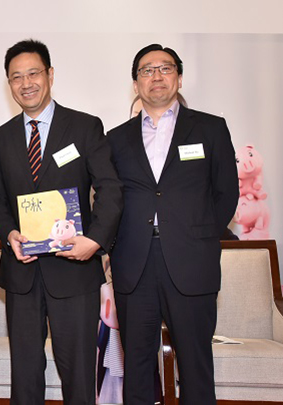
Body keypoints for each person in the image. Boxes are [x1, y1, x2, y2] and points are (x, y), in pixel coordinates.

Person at [0, 39, 123, 404]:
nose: (26, 83)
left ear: (50, 75)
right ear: (9, 83)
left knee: (77, 373)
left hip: (74, 270)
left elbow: (109, 190)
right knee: (25, 375)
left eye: (33, 73)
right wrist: (9, 233)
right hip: (22, 271)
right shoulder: (0, 138)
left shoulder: (83, 127)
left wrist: (94, 242)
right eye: (16, 77)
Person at [107, 44, 239, 404]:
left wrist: (198, 238)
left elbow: (226, 193)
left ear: (179, 77)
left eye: (165, 68)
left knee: (196, 366)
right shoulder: (115, 139)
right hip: (134, 265)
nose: (156, 76)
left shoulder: (211, 128)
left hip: (192, 262)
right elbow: (108, 199)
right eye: (147, 71)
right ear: (135, 83)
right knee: (136, 365)